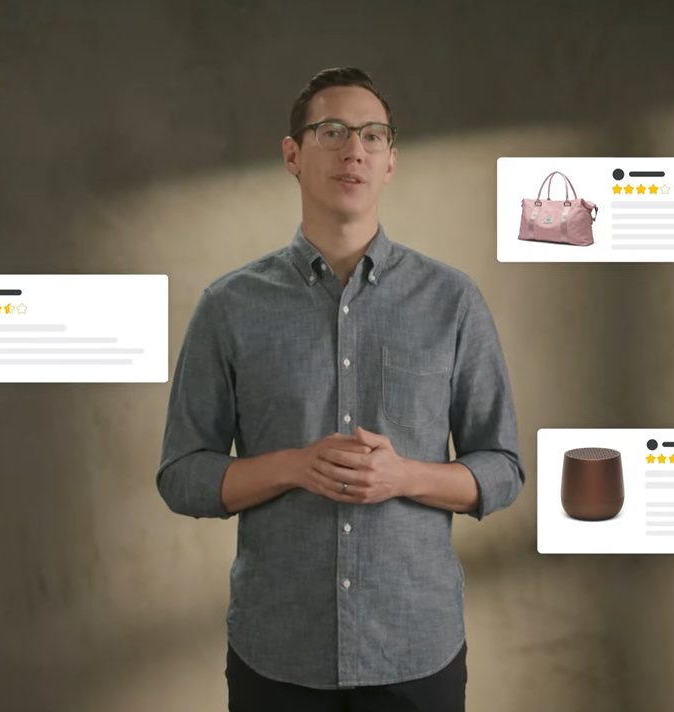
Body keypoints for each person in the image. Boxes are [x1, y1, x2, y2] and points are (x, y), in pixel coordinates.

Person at [157, 67, 524, 712]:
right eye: (332, 131)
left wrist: (404, 476)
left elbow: (502, 470)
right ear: (293, 155)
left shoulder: (452, 301)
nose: (354, 148)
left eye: (373, 135)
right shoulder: (229, 306)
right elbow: (183, 475)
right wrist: (295, 467)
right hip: (277, 651)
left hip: (415, 651)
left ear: (390, 163)